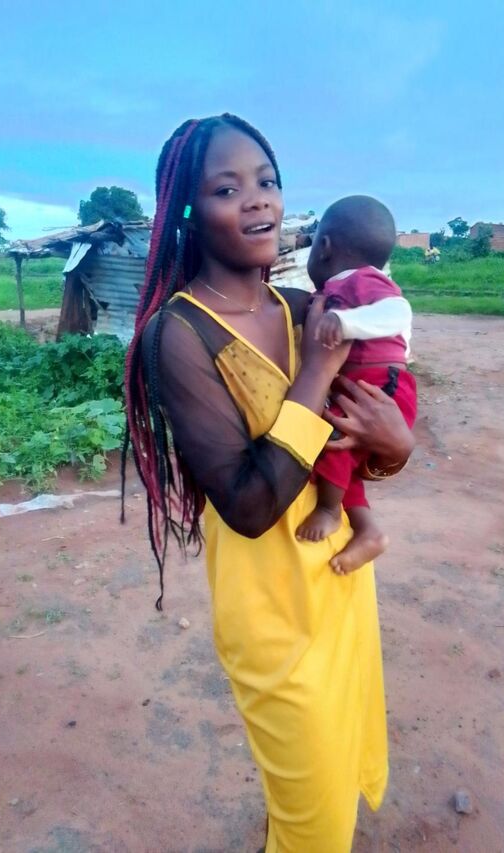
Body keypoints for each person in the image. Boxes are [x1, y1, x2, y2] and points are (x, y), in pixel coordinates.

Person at [122, 114, 414, 852]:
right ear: (188, 211)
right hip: (271, 613)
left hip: (341, 581)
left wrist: (396, 447)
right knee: (314, 815)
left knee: (323, 788)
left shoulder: (303, 308)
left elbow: (362, 445)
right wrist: (314, 372)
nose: (257, 200)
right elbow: (250, 505)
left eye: (267, 181)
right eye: (227, 188)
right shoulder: (181, 334)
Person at [295, 196, 417, 574]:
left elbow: (399, 311)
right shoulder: (331, 291)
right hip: (362, 386)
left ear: (325, 246)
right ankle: (368, 530)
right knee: (341, 456)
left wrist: (346, 323)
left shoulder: (363, 280)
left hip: (381, 386)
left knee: (333, 442)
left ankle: (329, 510)